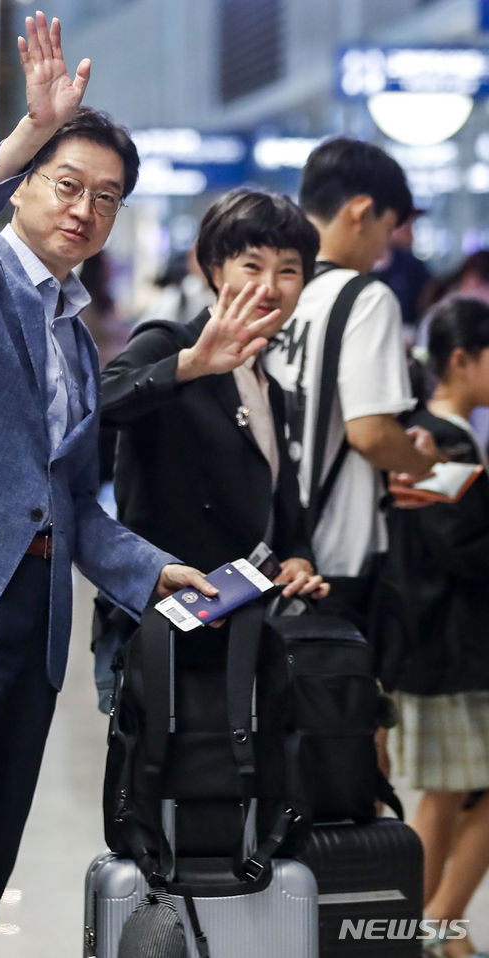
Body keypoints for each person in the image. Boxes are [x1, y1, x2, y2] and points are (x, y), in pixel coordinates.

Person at [0, 14, 263, 958]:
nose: (84, 209)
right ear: (25, 186)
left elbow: (69, 498)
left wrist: (157, 574)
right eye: (67, 184)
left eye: (106, 198)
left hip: (33, 620)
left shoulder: (74, 330)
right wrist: (30, 128)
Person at [96, 189, 329, 709]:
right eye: (252, 265)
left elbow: (282, 512)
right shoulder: (169, 343)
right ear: (214, 268)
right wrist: (189, 366)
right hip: (170, 629)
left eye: (289, 271)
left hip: (246, 629)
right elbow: (97, 404)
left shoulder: (271, 382)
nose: (269, 286)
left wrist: (298, 558)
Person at [263, 137, 439, 636]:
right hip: (336, 555)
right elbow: (370, 434)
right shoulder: (366, 298)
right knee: (340, 706)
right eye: (388, 228)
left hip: (264, 542)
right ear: (361, 212)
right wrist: (426, 463)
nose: (386, 248)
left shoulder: (270, 290)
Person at [375, 297, 489, 958]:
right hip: (450, 650)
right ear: (460, 360)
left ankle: (432, 923)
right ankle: (436, 920)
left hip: (442, 647)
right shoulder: (439, 441)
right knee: (446, 798)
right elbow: (465, 547)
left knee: (447, 797)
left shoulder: (435, 434)